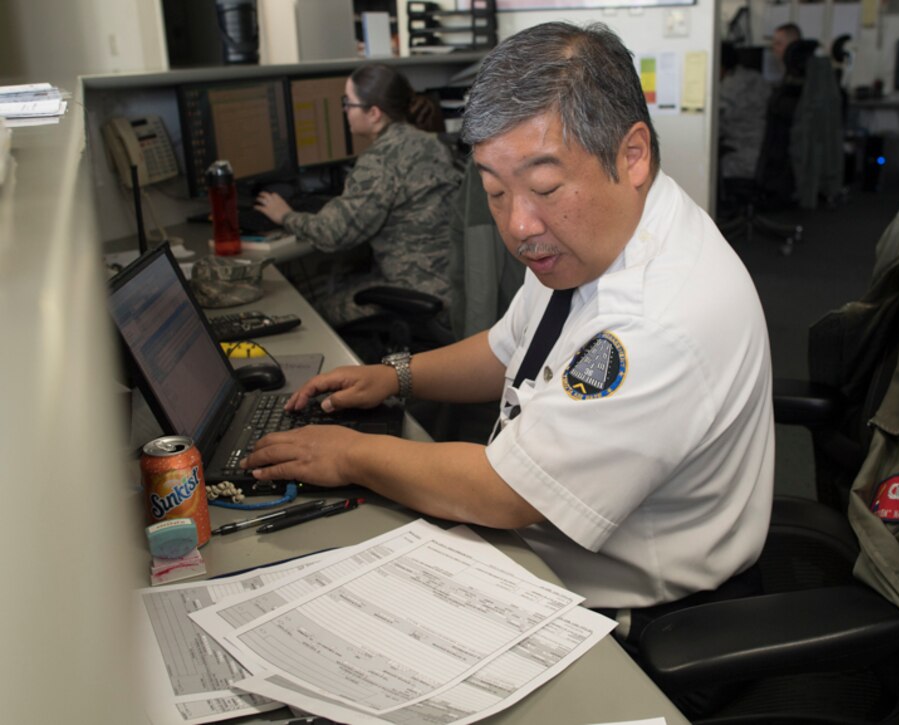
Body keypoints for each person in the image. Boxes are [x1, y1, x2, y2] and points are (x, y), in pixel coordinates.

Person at [242, 22, 774, 630]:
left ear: (632, 155)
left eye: (545, 187)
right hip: (538, 553)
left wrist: (352, 456)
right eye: (496, 192)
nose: (519, 224)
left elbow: (507, 492)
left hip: (632, 618)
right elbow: (508, 349)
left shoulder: (658, 318)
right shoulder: (592, 236)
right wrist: (395, 377)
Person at [253, 64, 462, 329]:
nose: (344, 110)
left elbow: (333, 233)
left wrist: (285, 216)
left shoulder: (380, 161)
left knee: (315, 310)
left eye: (348, 103)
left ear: (374, 113)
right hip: (453, 285)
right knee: (347, 280)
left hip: (417, 288)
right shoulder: (432, 143)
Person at [718, 41, 772, 180]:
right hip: (762, 157)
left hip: (741, 158)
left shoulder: (728, 91)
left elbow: (712, 128)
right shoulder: (756, 78)